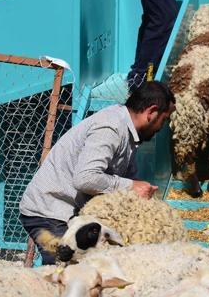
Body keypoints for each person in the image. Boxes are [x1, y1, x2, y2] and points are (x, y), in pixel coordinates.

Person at [19, 81, 175, 264]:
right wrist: (131, 186)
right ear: (151, 111)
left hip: (69, 210)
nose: (162, 127)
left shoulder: (129, 132)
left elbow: (120, 177)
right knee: (65, 270)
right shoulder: (110, 127)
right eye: (164, 119)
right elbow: (86, 178)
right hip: (50, 210)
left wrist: (138, 187)